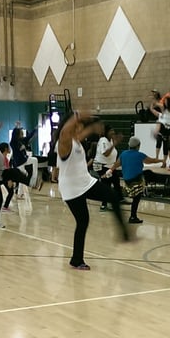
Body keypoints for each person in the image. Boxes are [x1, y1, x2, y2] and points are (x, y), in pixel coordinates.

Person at [56, 111, 129, 271]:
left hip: (85, 182)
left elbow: (80, 135)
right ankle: (76, 260)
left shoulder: (75, 140)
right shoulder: (64, 141)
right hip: (72, 189)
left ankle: (124, 232)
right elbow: (64, 132)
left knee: (113, 196)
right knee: (83, 221)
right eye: (78, 125)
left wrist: (93, 128)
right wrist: (77, 116)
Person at [0, 128, 33, 229]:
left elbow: (2, 165)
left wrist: (8, 178)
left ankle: (32, 182)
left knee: (14, 172)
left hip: (0, 175)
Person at [107, 137, 162, 224]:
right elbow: (151, 161)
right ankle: (133, 216)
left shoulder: (123, 154)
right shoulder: (140, 155)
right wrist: (162, 160)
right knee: (137, 198)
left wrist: (110, 170)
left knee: (135, 197)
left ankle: (133, 215)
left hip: (127, 180)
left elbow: (116, 164)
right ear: (138, 146)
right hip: (136, 180)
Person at [94, 125, 121, 210]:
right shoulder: (103, 141)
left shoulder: (111, 140)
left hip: (109, 166)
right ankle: (104, 204)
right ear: (106, 132)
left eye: (113, 131)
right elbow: (106, 153)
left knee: (115, 181)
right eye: (111, 131)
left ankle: (118, 199)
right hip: (101, 166)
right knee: (107, 183)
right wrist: (114, 145)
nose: (113, 132)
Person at [154, 96, 170, 170]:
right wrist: (154, 100)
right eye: (165, 102)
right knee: (163, 145)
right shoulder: (163, 109)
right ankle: (163, 161)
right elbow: (157, 104)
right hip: (165, 129)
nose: (165, 103)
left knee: (169, 148)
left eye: (167, 101)